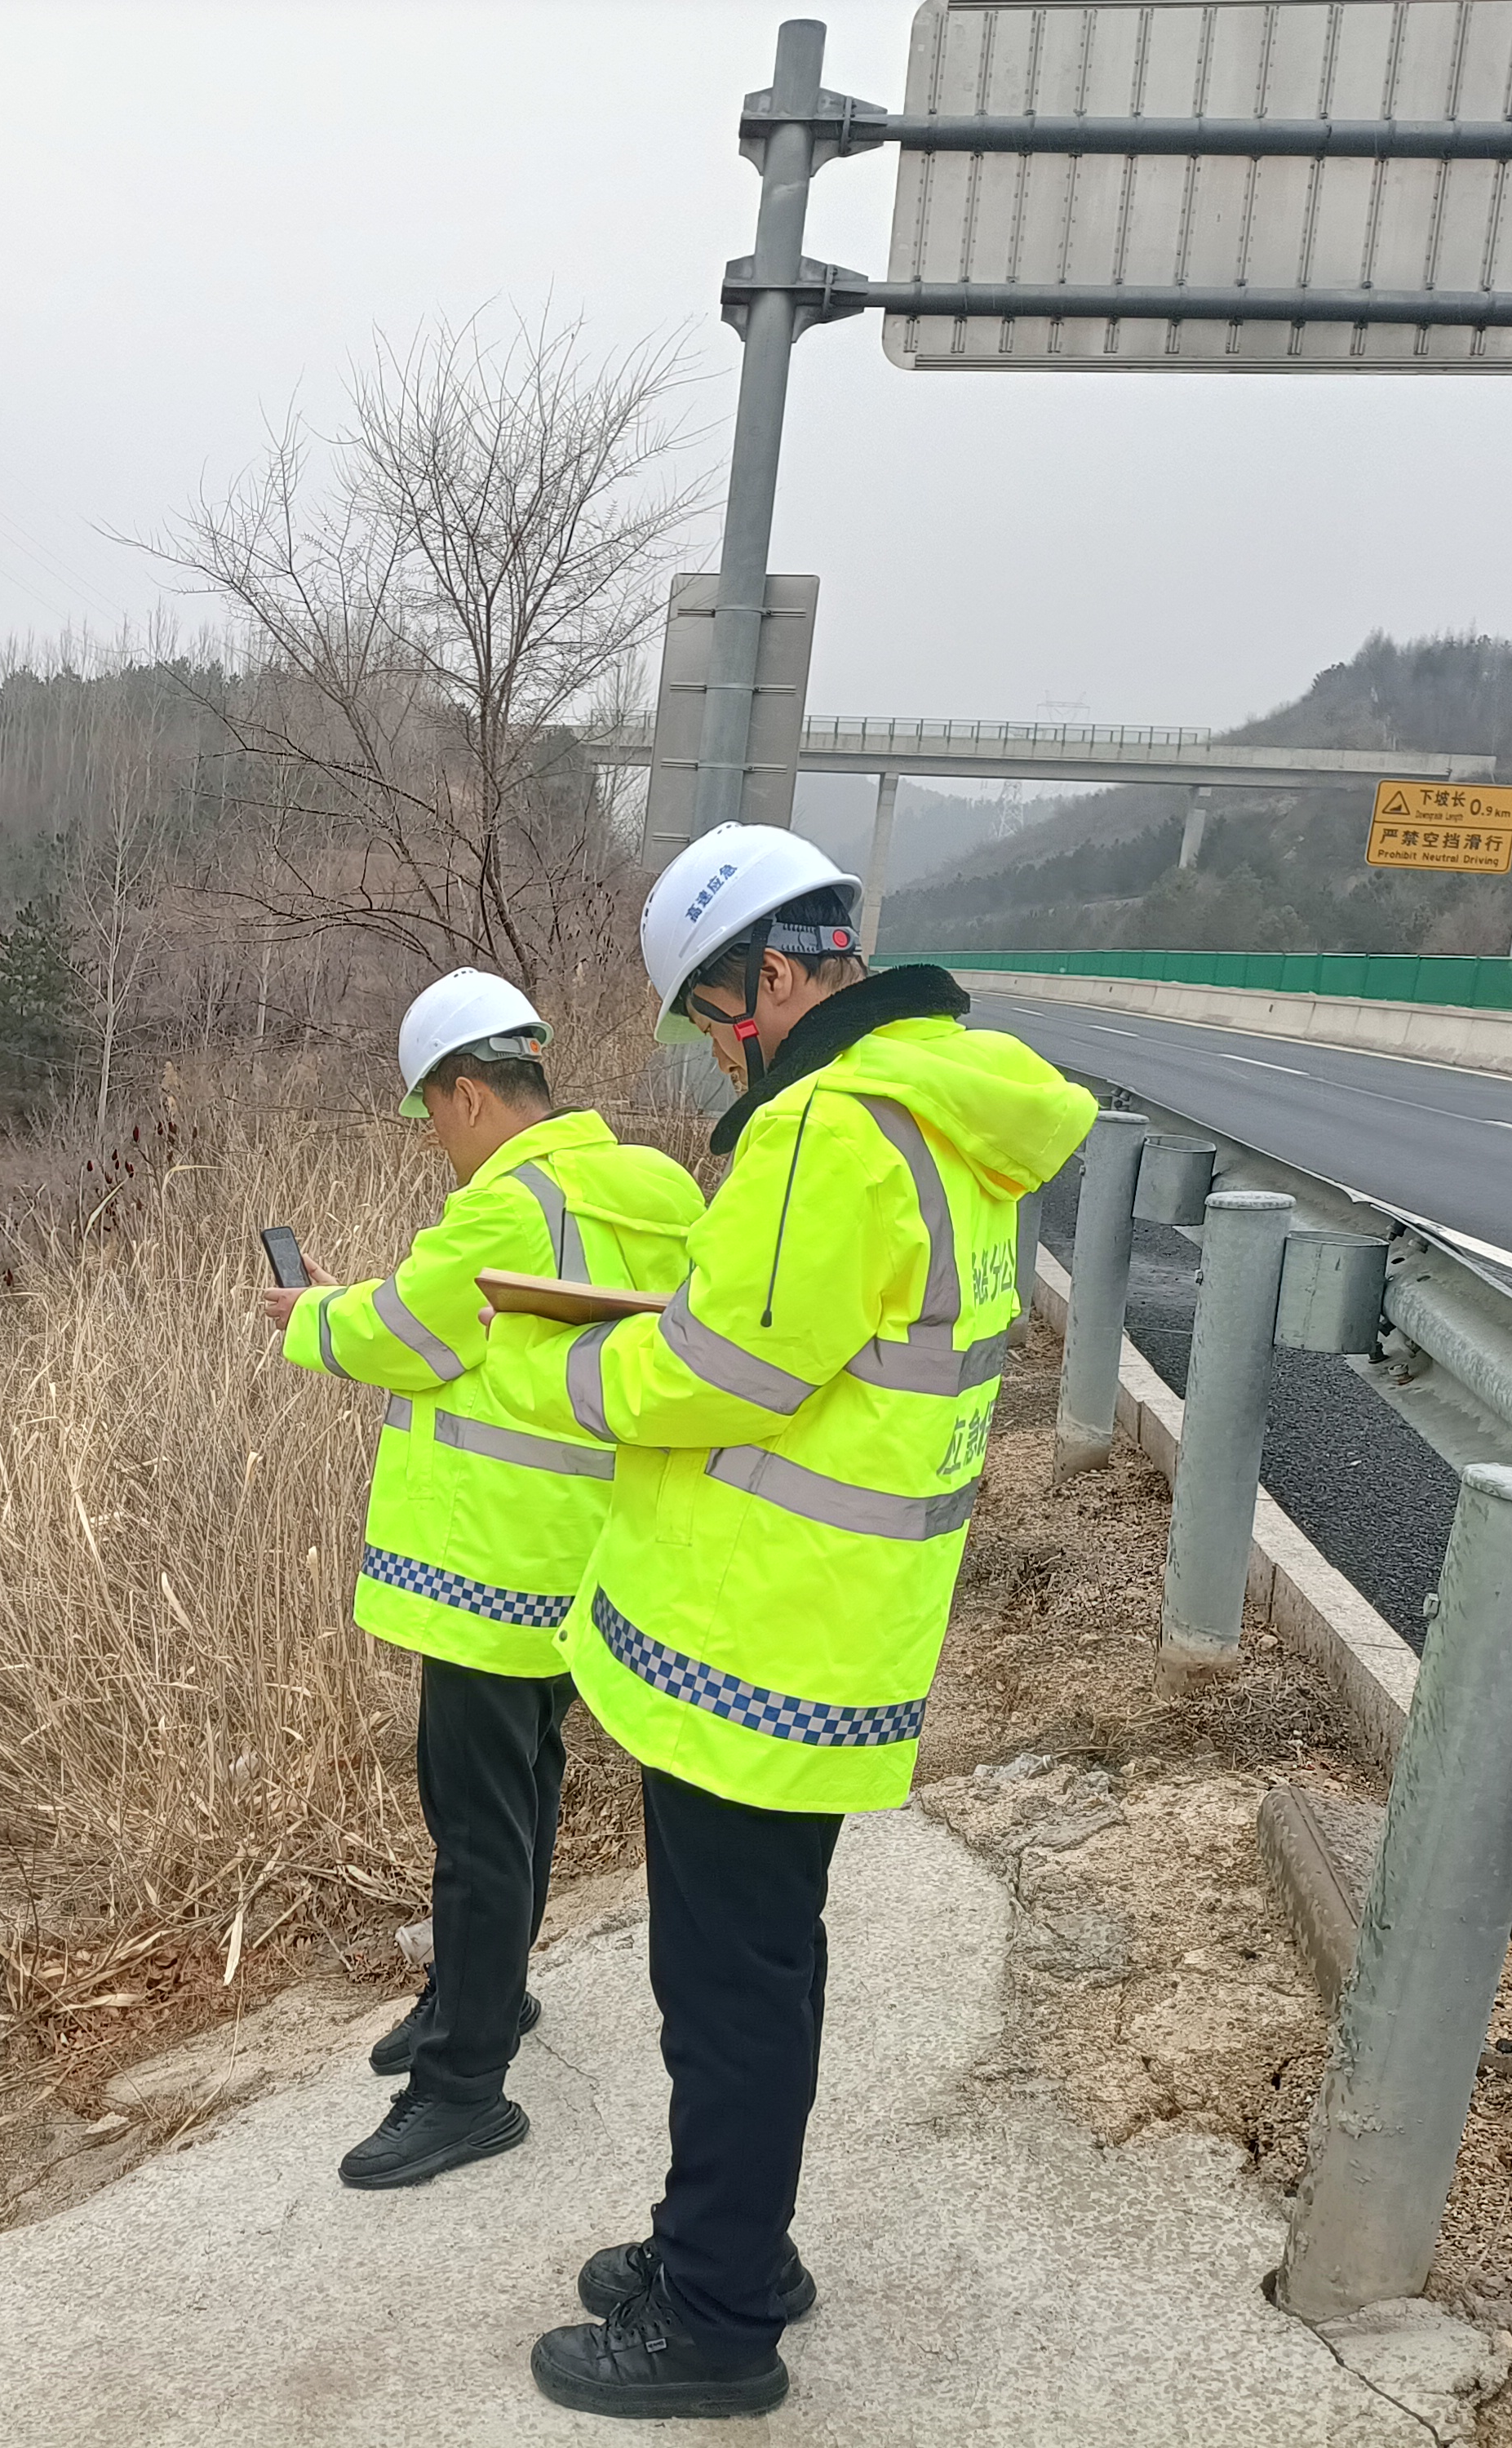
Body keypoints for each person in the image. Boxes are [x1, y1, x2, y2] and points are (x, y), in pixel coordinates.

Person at [480, 827, 1096, 2420]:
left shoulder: (830, 1127)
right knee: (761, 1970)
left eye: (711, 1013)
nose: (713, 1048)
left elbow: (722, 1371)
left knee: (727, 1993)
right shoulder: (947, 1113)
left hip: (749, 1640)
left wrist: (552, 1367)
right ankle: (730, 2245)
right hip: (836, 1629)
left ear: (770, 973)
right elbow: (818, 1347)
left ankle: (714, 2321)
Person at [257, 968, 703, 2191]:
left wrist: (308, 1312)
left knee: (476, 1825)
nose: (434, 1143)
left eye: (430, 1114)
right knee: (524, 1790)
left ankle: (464, 2088)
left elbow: (405, 1330)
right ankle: (480, 1994)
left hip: (489, 1568)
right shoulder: (654, 1189)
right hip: (584, 1551)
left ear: (464, 1092)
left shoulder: (509, 1207)